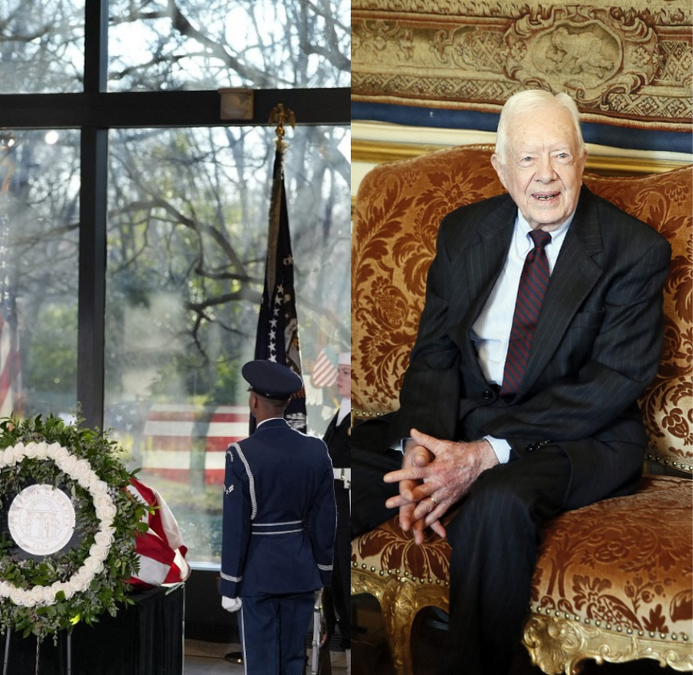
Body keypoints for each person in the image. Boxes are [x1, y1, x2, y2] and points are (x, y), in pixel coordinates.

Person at [350, 90, 671, 674]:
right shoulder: (464, 231)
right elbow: (435, 352)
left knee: (497, 502)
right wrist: (422, 446)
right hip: (474, 413)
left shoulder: (634, 250)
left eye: (560, 156)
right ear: (500, 168)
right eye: (527, 158)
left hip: (582, 432)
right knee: (336, 462)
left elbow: (613, 382)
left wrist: (482, 456)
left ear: (582, 159)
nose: (545, 176)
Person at [220, 360, 336, 675]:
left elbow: (236, 528)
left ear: (253, 402)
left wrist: (229, 585)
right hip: (300, 571)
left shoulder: (241, 454)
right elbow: (325, 522)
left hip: (258, 575)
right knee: (292, 662)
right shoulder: (316, 451)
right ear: (287, 403)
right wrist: (323, 573)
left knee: (261, 664)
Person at [321, 351, 350, 653]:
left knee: (345, 579)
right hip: (334, 511)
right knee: (335, 583)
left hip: (349, 512)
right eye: (340, 371)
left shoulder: (358, 417)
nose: (339, 378)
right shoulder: (341, 413)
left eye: (346, 372)